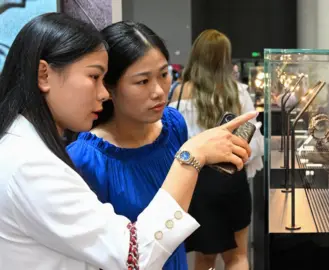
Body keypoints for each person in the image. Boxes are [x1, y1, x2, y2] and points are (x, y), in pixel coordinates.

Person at [0, 13, 257, 269]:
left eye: (164, 74)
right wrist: (189, 158)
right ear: (44, 75)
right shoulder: (37, 165)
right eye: (93, 77)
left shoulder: (172, 124)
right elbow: (132, 256)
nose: (102, 93)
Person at [66, 21, 190, 270]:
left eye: (164, 75)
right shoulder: (86, 159)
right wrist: (194, 157)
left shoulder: (174, 124)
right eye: (142, 81)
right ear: (109, 87)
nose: (158, 91)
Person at [169, 29, 264, 270]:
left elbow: (173, 140)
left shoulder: (179, 93)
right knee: (238, 256)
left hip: (196, 183)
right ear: (225, 58)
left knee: (204, 258)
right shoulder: (238, 92)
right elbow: (254, 145)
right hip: (232, 181)